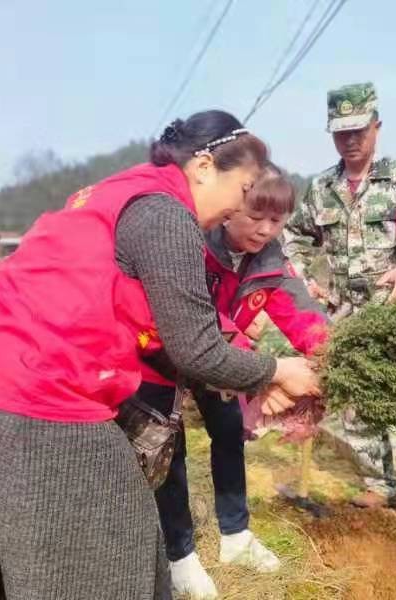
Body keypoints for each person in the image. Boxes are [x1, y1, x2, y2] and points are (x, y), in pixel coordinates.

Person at [0, 110, 320, 600]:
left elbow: (179, 329)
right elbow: (198, 348)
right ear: (206, 166)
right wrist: (276, 370)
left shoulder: (119, 190)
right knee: (115, 537)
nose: (238, 207)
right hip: (33, 391)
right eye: (244, 187)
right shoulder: (167, 214)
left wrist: (260, 376)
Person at [135, 165, 328, 599]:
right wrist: (258, 370)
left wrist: (327, 355)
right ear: (229, 208)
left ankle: (236, 535)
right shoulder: (192, 243)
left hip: (223, 359)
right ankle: (180, 555)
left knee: (227, 434)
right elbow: (196, 318)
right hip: (163, 354)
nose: (266, 229)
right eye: (255, 216)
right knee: (170, 451)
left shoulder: (270, 259)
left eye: (277, 221)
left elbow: (301, 313)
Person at [283, 82, 396, 556]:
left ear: (376, 126)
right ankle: (381, 483)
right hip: (346, 319)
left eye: (359, 130)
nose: (351, 140)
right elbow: (292, 240)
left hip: (395, 318)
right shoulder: (321, 190)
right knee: (358, 408)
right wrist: (303, 281)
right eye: (341, 132)